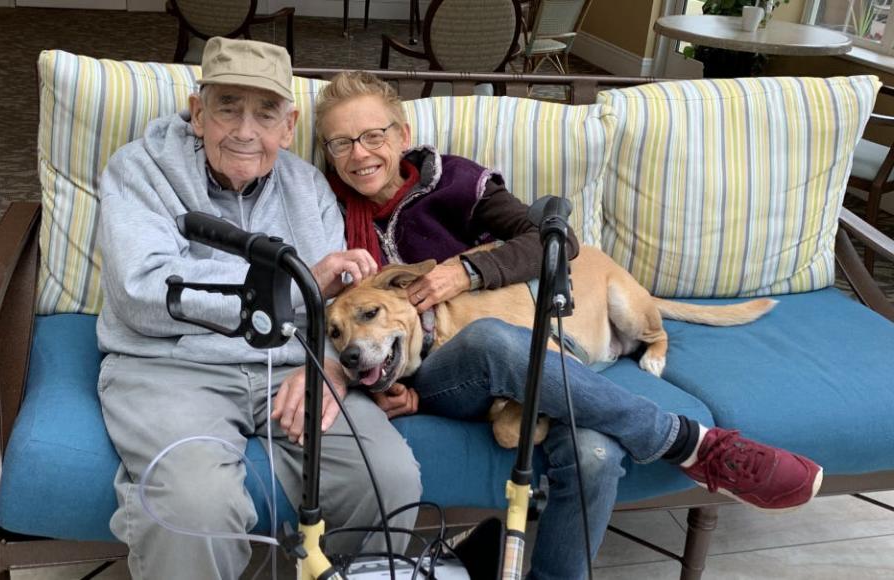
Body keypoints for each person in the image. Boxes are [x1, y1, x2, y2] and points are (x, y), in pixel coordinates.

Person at [314, 71, 824, 580]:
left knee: (595, 455)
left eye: (374, 135)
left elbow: (554, 242)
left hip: (525, 354)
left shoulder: (457, 183)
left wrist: (467, 270)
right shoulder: (322, 210)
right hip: (448, 371)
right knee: (492, 339)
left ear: (402, 134)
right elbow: (332, 322)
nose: (360, 154)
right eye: (341, 143)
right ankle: (688, 443)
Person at [95, 41, 420, 579]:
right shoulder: (139, 170)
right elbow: (141, 292)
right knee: (194, 505)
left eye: (265, 113)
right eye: (228, 107)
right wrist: (292, 284)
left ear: (288, 127)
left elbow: (335, 308)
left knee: (388, 479)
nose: (246, 130)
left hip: (293, 367)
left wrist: (332, 368)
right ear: (199, 114)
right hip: (172, 368)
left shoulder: (308, 185)